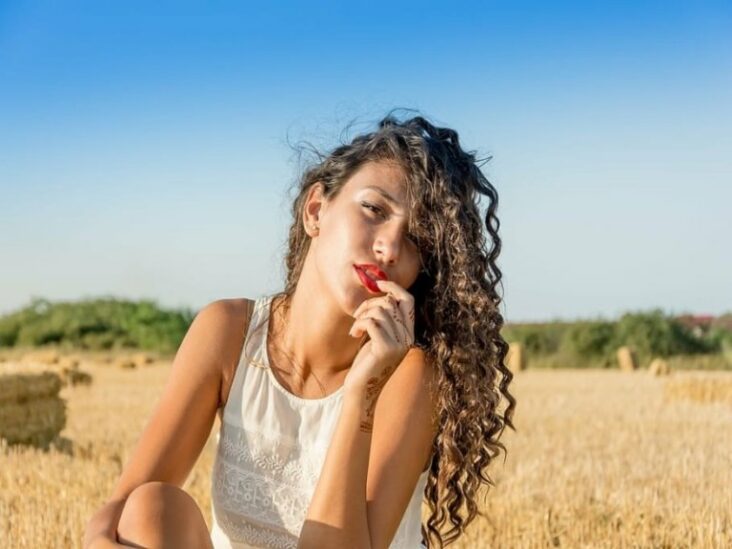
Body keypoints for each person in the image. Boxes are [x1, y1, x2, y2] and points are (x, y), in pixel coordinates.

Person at [83, 110, 517, 549]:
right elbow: (121, 510)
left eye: (416, 239)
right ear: (315, 210)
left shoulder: (411, 376)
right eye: (373, 209)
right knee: (150, 509)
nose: (387, 247)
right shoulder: (228, 332)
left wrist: (362, 395)